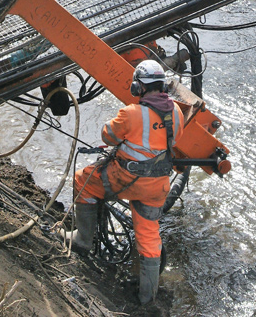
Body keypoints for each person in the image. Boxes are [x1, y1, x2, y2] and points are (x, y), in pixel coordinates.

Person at [67, 59, 183, 305]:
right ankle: (146, 296)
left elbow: (107, 136)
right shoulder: (178, 113)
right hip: (158, 186)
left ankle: (83, 241)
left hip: (124, 179)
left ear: (138, 87)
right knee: (149, 236)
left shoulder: (131, 113)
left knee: (84, 180)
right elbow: (172, 141)